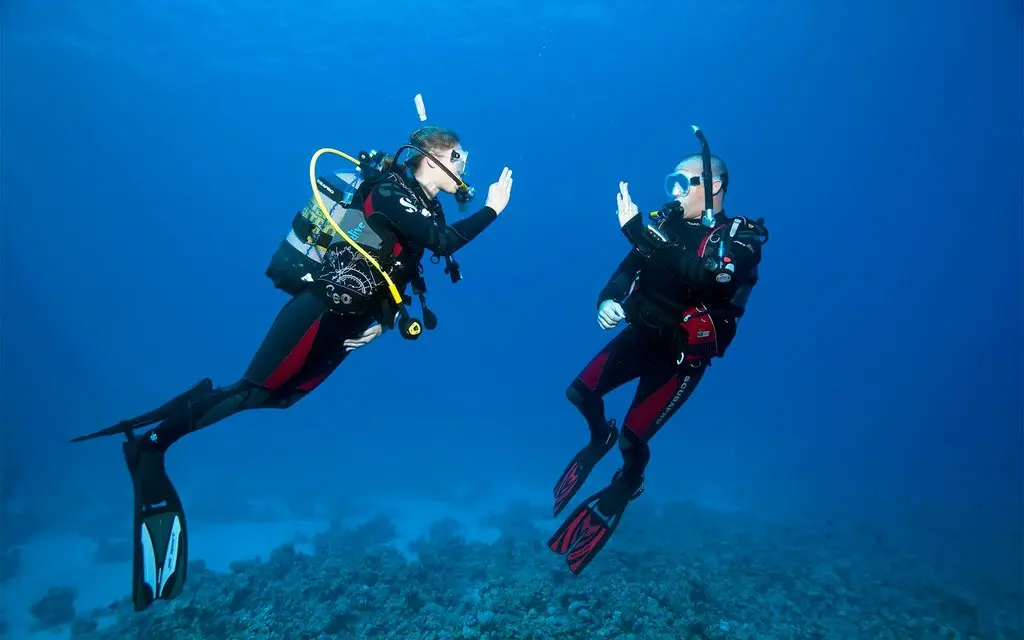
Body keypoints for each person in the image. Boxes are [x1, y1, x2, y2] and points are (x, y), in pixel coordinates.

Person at [71, 125, 514, 611]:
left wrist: (384, 322)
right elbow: (442, 242)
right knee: (251, 390)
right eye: (458, 154)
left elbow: (397, 266)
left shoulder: (428, 206)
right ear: (430, 156)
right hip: (318, 309)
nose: (465, 164)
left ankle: (194, 401)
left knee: (281, 397)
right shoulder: (389, 190)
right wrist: (493, 208)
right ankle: (152, 446)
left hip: (348, 323)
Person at [547, 136, 768, 575]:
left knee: (634, 438)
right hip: (640, 335)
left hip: (680, 359)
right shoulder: (664, 223)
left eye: (683, 183)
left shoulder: (738, 238)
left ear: (714, 185)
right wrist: (607, 299)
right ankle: (598, 439)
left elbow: (708, 276)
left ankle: (630, 479)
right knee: (579, 393)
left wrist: (636, 231)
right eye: (672, 182)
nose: (674, 192)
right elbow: (628, 268)